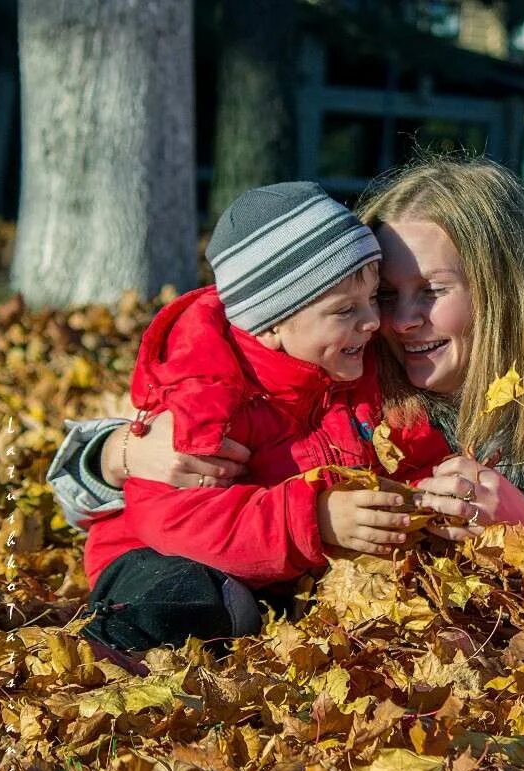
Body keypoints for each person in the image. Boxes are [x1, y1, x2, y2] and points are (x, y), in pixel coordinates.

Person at [49, 158, 524, 598]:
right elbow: (144, 496)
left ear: (499, 288)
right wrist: (116, 453)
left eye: (433, 291)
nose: (393, 321)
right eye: (386, 295)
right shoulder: (352, 367)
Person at [81, 181, 419, 651]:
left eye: (372, 299)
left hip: (279, 570)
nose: (371, 322)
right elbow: (178, 521)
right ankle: (120, 649)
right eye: (344, 309)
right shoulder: (207, 394)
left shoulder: (352, 373)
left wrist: (430, 489)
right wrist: (313, 519)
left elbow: (410, 444)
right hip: (163, 557)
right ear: (273, 322)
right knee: (188, 595)